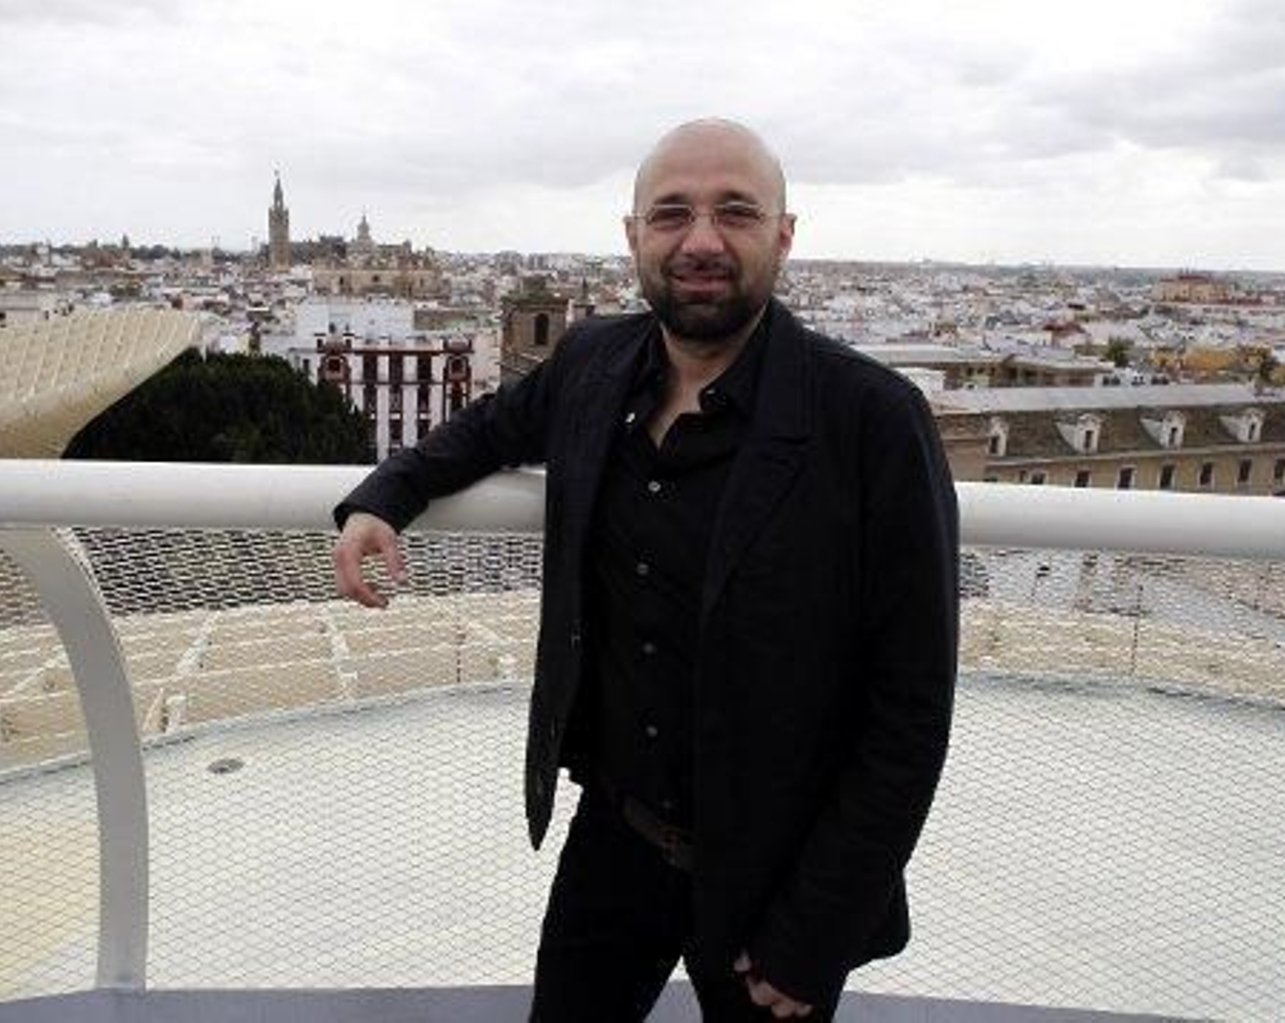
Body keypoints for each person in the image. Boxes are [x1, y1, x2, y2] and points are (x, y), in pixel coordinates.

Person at [333, 118, 958, 1021]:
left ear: (784, 235)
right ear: (632, 237)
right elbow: (491, 428)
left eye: (734, 212)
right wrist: (380, 498)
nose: (700, 240)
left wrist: (818, 930)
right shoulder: (595, 361)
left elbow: (909, 706)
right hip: (617, 837)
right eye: (672, 214)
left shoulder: (873, 420)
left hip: (776, 869)